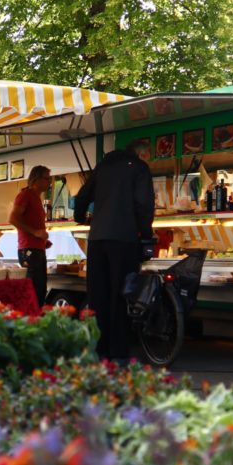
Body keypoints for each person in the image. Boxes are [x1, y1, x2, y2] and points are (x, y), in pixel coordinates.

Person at [73, 138, 155, 364]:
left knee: (98, 295)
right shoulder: (139, 169)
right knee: (121, 294)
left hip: (98, 239)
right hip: (124, 239)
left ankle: (98, 349)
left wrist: (81, 217)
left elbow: (82, 196)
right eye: (148, 154)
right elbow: (143, 204)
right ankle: (118, 351)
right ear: (140, 153)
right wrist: (146, 234)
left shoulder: (103, 167)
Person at [8, 165, 51, 307]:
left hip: (37, 249)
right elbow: (13, 219)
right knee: (34, 291)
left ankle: (35, 321)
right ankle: (31, 322)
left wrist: (42, 239)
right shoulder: (25, 195)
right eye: (47, 178)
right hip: (29, 251)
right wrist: (35, 232)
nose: (49, 182)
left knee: (40, 290)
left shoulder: (37, 198)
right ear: (36, 179)